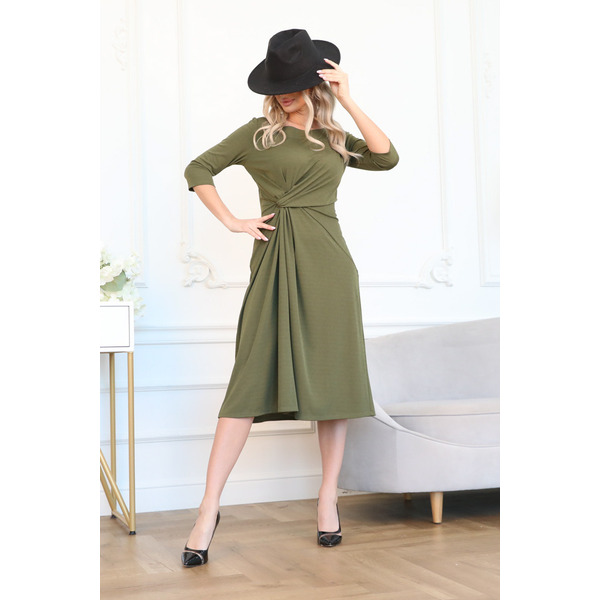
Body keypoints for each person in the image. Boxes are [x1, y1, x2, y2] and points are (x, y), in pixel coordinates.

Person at [181, 28, 399, 567]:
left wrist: (348, 97)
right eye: (276, 86)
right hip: (275, 260)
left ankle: (327, 499)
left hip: (330, 265)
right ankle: (208, 509)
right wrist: (233, 221)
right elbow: (197, 169)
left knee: (333, 383)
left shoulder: (335, 137)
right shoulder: (258, 134)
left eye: (293, 85)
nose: (282, 95)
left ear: (316, 82)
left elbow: (387, 158)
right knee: (246, 385)